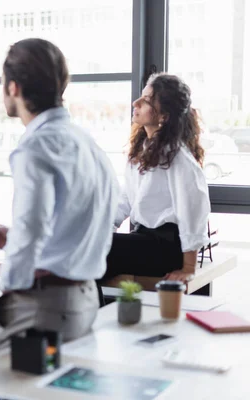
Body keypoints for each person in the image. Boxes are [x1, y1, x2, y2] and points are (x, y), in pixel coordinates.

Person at [0, 38, 120, 363]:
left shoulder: (34, 148)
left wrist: (12, 286)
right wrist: (12, 237)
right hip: (84, 300)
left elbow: (32, 228)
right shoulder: (87, 143)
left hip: (42, 305)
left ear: (13, 87)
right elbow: (102, 213)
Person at [99, 73, 210, 295]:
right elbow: (126, 201)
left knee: (88, 252)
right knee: (86, 245)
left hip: (166, 248)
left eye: (146, 101)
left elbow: (193, 208)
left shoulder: (178, 157)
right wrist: (103, 229)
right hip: (143, 240)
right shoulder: (141, 151)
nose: (135, 103)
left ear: (164, 116)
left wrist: (188, 267)